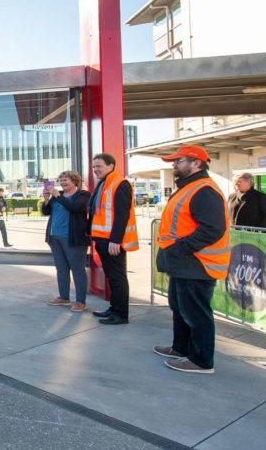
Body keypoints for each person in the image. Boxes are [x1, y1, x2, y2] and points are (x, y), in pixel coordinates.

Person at [154, 145, 230, 374]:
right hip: (184, 262)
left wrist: (181, 248)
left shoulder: (204, 190)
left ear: (197, 163)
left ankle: (201, 360)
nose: (174, 165)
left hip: (197, 263)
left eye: (179, 161)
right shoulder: (190, 188)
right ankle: (181, 348)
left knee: (196, 313)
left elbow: (212, 229)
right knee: (180, 307)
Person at [88, 153, 138, 325]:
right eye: (94, 166)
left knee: (117, 278)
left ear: (111, 166)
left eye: (99, 166)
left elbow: (122, 215)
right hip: (102, 239)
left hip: (112, 241)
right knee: (111, 276)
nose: (96, 170)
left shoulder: (120, 184)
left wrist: (115, 240)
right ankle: (114, 308)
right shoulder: (104, 184)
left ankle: (121, 314)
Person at [41, 171, 91, 312]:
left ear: (75, 181)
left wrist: (56, 194)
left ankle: (81, 301)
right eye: (61, 180)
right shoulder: (59, 196)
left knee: (77, 270)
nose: (62, 182)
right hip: (55, 237)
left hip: (73, 239)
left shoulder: (83, 195)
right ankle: (64, 297)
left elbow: (75, 208)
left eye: (66, 180)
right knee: (61, 269)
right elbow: (46, 211)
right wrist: (46, 200)